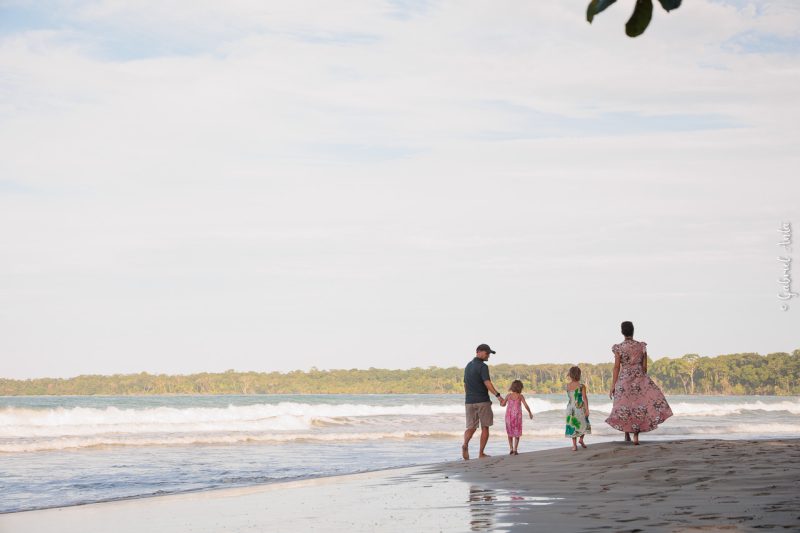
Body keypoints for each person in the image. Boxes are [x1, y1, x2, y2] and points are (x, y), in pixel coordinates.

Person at [605, 321, 673, 445]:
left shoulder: (618, 348)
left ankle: (626, 434)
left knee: (624, 405)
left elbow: (616, 368)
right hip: (639, 377)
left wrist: (613, 386)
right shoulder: (642, 346)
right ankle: (635, 436)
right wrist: (639, 375)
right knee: (639, 406)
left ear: (622, 332)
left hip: (624, 379)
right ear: (633, 331)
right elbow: (645, 367)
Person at [462, 343, 506, 460]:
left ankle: (465, 443)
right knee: (485, 427)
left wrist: (468, 397)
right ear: (479, 352)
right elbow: (487, 383)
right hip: (482, 401)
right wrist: (498, 396)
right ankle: (481, 453)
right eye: (487, 353)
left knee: (471, 427)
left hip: (469, 401)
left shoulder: (467, 366)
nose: (488, 356)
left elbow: (465, 384)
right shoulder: (483, 367)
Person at [565, 366, 591, 451]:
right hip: (579, 408)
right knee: (585, 423)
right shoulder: (581, 386)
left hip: (570, 408)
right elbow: (585, 398)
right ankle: (581, 439)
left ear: (570, 375)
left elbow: (570, 397)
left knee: (573, 426)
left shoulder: (567, 386)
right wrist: (587, 409)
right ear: (579, 375)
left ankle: (574, 446)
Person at [504, 379, 533, 455]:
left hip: (508, 417)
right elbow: (526, 405)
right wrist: (530, 412)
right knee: (517, 433)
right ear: (520, 388)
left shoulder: (508, 396)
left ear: (512, 387)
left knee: (510, 433)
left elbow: (503, 404)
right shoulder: (520, 396)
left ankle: (511, 448)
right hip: (517, 417)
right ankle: (515, 449)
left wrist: (500, 400)